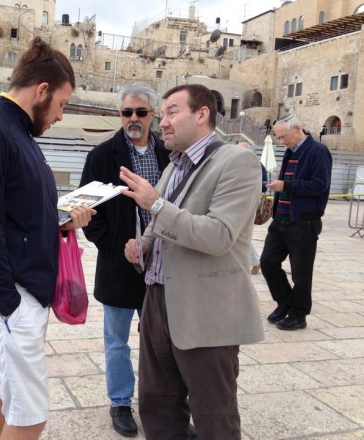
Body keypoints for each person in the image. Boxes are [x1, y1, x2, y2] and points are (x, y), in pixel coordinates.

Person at [0, 37, 95, 440]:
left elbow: (16, 214)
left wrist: (61, 223)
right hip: (8, 296)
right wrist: (8, 304)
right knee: (30, 411)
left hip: (16, 294)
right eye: (63, 104)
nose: (60, 116)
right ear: (43, 90)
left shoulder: (16, 134)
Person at [121, 84, 264, 438]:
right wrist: (144, 246)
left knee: (213, 414)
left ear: (202, 115)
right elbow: (162, 228)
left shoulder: (238, 162)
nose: (162, 122)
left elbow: (219, 235)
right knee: (157, 404)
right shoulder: (174, 166)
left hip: (206, 311)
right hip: (157, 301)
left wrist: (155, 204)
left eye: (171, 112)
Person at [79, 83, 170, 437]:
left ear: (153, 115)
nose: (133, 118)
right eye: (127, 112)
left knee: (161, 340)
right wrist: (116, 246)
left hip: (162, 262)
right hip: (120, 265)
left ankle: (162, 404)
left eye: (141, 112)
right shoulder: (102, 156)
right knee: (116, 339)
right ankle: (120, 401)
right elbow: (89, 213)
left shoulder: (169, 154)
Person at [261, 117, 332, 331]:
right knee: (268, 262)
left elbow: (319, 185)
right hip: (280, 219)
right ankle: (285, 303)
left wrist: (286, 185)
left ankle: (299, 314)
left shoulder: (318, 151)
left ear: (298, 129)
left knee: (301, 273)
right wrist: (280, 188)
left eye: (284, 136)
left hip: (303, 222)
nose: (282, 141)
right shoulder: (291, 151)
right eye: (279, 138)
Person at [237, 141, 268, 275]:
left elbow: (263, 186)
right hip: (238, 203)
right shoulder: (237, 164)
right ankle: (254, 262)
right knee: (239, 235)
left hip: (246, 204)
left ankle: (255, 262)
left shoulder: (256, 165)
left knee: (239, 235)